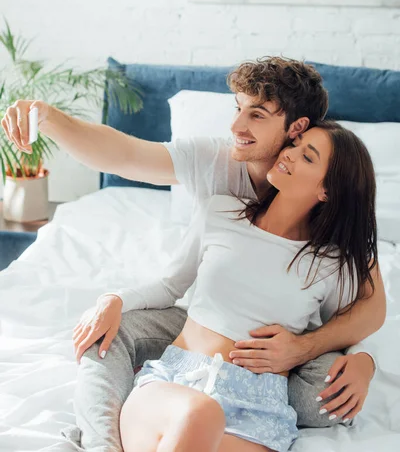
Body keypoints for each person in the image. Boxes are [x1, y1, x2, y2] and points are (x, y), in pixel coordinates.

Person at [1, 58, 385, 451]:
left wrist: (362, 359)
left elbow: (367, 310)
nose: (237, 127)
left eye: (257, 114)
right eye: (238, 109)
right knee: (161, 379)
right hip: (184, 366)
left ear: (296, 128)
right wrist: (48, 118)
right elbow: (126, 157)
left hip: (260, 405)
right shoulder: (220, 193)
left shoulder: (331, 255)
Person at [116, 121, 379, 451]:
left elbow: (349, 323)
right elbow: (171, 285)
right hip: (177, 383)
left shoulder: (330, 263)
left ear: (327, 190)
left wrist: (364, 360)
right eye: (294, 144)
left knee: (201, 422)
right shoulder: (221, 212)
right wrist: (115, 300)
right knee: (200, 414)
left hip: (260, 409)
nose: (289, 154)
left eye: (307, 157)